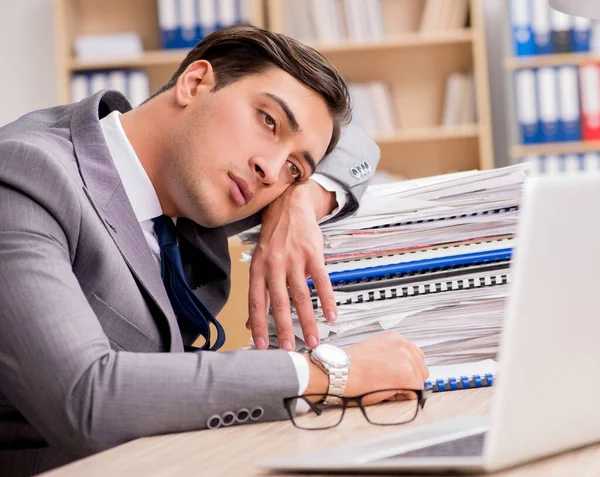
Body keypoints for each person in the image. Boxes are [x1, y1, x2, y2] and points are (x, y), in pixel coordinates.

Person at [0, 25, 428, 476]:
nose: (270, 170)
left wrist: (303, 198)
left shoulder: (200, 186)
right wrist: (328, 375)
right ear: (195, 82)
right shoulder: (28, 176)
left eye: (293, 167)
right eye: (268, 121)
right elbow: (85, 398)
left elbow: (359, 145)